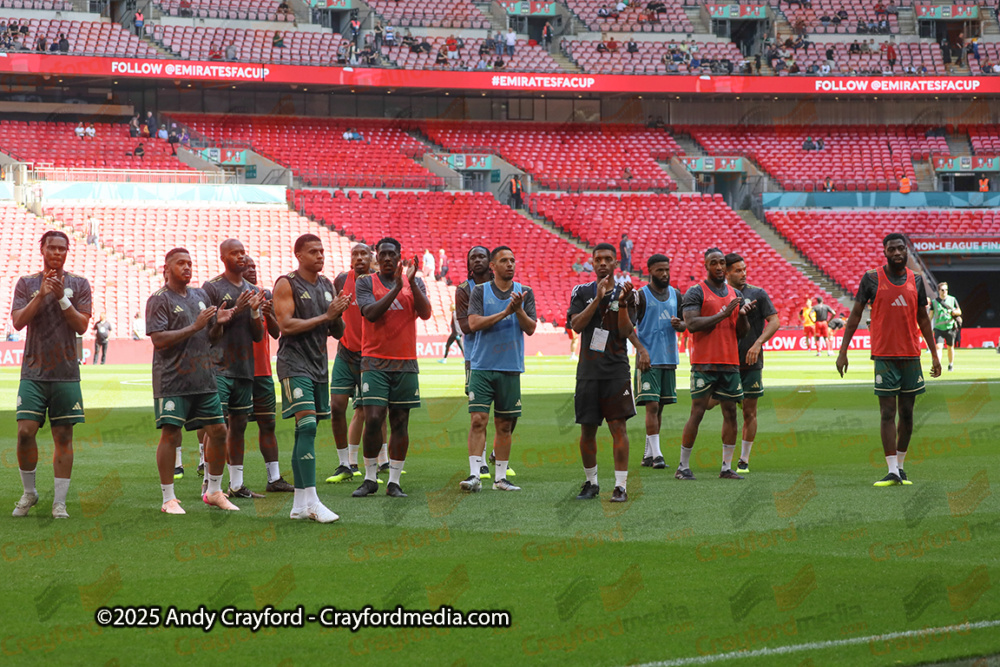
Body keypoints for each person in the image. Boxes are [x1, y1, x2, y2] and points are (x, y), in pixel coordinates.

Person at [836, 233, 942, 486]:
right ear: (884, 252)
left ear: (906, 251)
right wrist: (843, 351)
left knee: (907, 413)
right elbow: (855, 315)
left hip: (911, 356)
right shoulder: (871, 279)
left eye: (900, 248)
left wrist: (935, 355)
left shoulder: (916, 280)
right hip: (884, 356)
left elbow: (923, 319)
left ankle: (901, 467)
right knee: (887, 412)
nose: (896, 253)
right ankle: (891, 469)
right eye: (891, 249)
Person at [146, 248, 239, 514]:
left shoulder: (201, 295)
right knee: (171, 434)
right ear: (167, 268)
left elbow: (210, 338)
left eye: (190, 263)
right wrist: (196, 326)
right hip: (172, 379)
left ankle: (214, 491)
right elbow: (159, 340)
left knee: (219, 432)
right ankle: (168, 499)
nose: (187, 267)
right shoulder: (159, 299)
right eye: (181, 263)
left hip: (204, 378)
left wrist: (217, 324)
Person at [10, 231, 91, 519]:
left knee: (63, 436)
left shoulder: (79, 284)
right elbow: (18, 322)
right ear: (42, 249)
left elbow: (81, 326)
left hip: (66, 372)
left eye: (62, 248)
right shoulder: (27, 283)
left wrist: (61, 299)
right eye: (52, 248)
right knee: (24, 432)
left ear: (68, 252)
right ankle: (30, 492)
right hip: (33, 371)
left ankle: (59, 502)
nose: (57, 253)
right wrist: (42, 294)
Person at [273, 234, 350, 522]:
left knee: (305, 430)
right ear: (299, 255)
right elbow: (286, 325)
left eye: (322, 251)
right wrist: (325, 315)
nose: (320, 256)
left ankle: (298, 505)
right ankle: (314, 501)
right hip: (294, 364)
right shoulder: (287, 283)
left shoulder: (327, 285)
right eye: (313, 252)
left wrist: (338, 313)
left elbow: (338, 332)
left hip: (319, 366)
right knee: (306, 426)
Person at [352, 238, 432, 498]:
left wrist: (409, 283)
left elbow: (426, 312)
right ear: (377, 256)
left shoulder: (415, 282)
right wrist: (396, 288)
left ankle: (394, 481)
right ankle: (370, 477)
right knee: (374, 418)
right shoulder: (365, 282)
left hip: (405, 362)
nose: (387, 258)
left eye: (392, 254)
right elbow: (371, 313)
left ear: (399, 257)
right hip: (374, 361)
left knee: (400, 421)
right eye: (383, 254)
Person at [675, 248, 756, 481]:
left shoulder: (734, 293)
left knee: (731, 413)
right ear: (706, 266)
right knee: (697, 412)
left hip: (730, 362)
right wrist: (723, 314)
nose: (719, 267)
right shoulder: (695, 292)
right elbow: (691, 323)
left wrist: (742, 316)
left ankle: (726, 467)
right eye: (714, 263)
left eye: (721, 263)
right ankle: (683, 466)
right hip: (704, 362)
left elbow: (741, 333)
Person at [460, 246, 536, 492]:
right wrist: (505, 313)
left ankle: (500, 479)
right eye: (504, 260)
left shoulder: (524, 292)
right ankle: (475, 474)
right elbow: (472, 323)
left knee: (505, 424)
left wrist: (519, 310)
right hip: (482, 366)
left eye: (513, 260)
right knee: (478, 420)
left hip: (510, 367)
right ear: (493, 266)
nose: (510, 264)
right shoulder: (480, 292)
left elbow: (531, 328)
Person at [567, 243, 636, 502]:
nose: (603, 263)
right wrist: (598, 299)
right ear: (592, 263)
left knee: (618, 428)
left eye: (608, 259)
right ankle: (591, 483)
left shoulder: (628, 292)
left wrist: (622, 304)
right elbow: (576, 325)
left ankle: (620, 486)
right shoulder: (582, 292)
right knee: (587, 430)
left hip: (616, 371)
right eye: (598, 259)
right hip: (588, 371)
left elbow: (625, 331)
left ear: (616, 263)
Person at [199, 239, 266, 499]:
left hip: (244, 367)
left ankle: (236, 484)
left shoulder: (253, 289)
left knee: (239, 426)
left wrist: (254, 312)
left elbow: (258, 335)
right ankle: (208, 481)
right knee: (217, 426)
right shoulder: (212, 287)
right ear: (223, 257)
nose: (241, 257)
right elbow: (210, 333)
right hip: (219, 366)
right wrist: (236, 309)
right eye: (234, 253)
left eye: (242, 252)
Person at [706, 254, 779, 474]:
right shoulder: (719, 295)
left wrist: (757, 344)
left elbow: (774, 321)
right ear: (725, 273)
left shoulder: (757, 294)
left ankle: (742, 460)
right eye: (737, 270)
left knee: (749, 412)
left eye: (744, 269)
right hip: (725, 363)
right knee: (709, 404)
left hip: (751, 363)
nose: (743, 273)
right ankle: (727, 461)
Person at [326, 243, 386, 484]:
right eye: (355, 254)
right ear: (350, 258)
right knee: (337, 406)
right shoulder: (341, 280)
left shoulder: (377, 281)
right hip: (345, 351)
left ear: (371, 258)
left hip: (370, 356)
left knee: (371, 412)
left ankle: (379, 462)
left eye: (364, 254)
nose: (359, 257)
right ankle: (345, 464)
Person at [628, 254, 684, 470]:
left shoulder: (676, 295)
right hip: (648, 360)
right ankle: (658, 455)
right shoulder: (640, 296)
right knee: (651, 406)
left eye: (667, 270)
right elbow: (627, 327)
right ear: (650, 271)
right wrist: (641, 351)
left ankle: (648, 454)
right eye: (660, 270)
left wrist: (681, 324)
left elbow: (686, 322)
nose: (665, 274)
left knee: (659, 408)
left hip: (669, 358)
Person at [243, 257, 294, 492]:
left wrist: (269, 314)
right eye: (247, 267)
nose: (252, 270)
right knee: (234, 426)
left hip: (262, 371)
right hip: (237, 372)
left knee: (268, 424)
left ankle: (274, 479)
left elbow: (276, 333)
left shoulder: (265, 295)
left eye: (254, 266)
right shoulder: (229, 296)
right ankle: (231, 482)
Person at [931, 281, 961, 371]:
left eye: (946, 290)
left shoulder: (952, 299)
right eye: (943, 290)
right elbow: (930, 315)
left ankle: (950, 364)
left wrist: (954, 312)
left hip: (950, 327)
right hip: (938, 328)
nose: (945, 291)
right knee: (939, 347)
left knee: (950, 347)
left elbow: (959, 311)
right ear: (939, 291)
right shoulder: (934, 302)